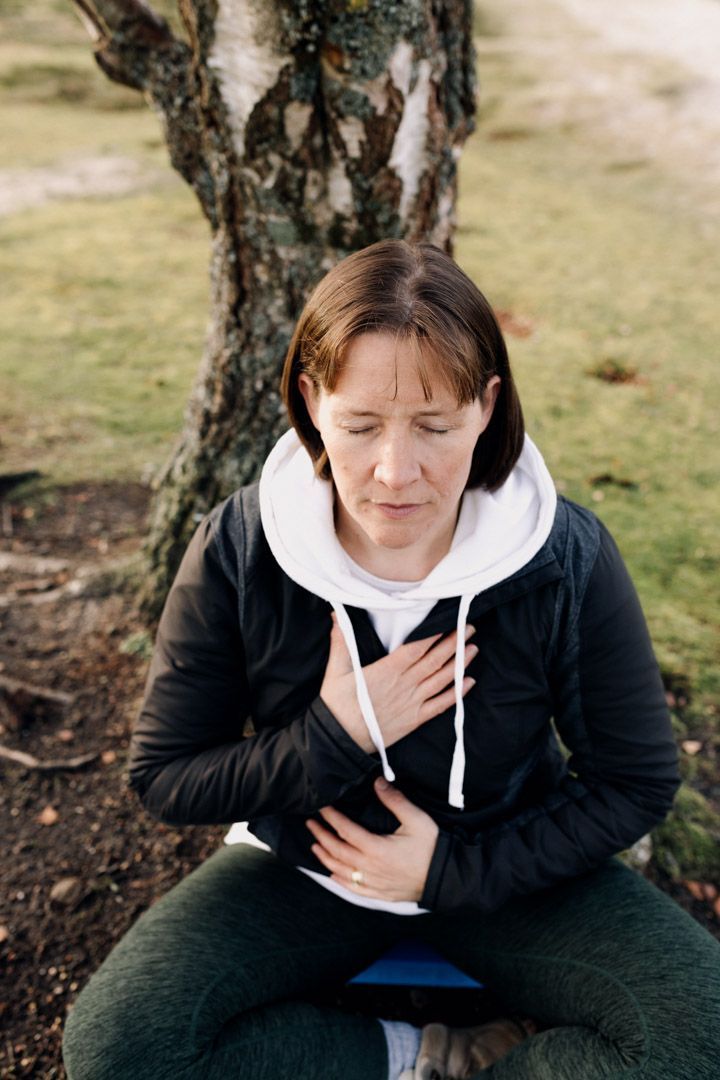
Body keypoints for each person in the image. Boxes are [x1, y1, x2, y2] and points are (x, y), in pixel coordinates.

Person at [62, 240, 720, 1080]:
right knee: (120, 1049)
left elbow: (636, 780)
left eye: (435, 427)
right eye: (361, 424)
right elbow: (165, 775)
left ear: (486, 408)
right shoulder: (242, 545)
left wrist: (453, 869)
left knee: (702, 1037)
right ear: (310, 400)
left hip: (510, 871)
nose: (394, 471)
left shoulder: (564, 556)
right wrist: (336, 733)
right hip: (308, 870)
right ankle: (421, 1056)